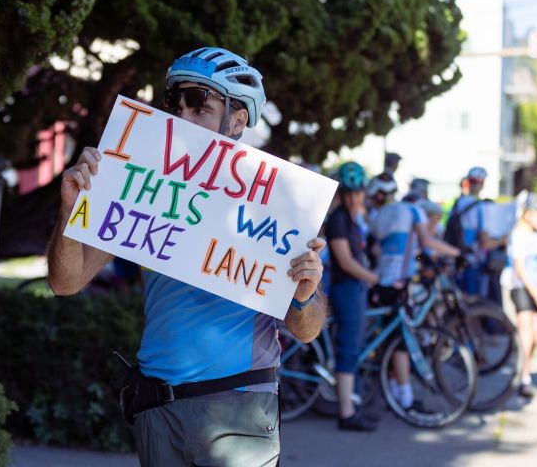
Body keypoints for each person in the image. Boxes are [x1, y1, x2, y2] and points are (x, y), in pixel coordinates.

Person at [47, 47, 327, 466]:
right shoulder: (138, 183)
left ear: (237, 120)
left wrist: (305, 293)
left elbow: (306, 330)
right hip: (156, 409)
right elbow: (65, 283)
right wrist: (70, 213)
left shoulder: (277, 202)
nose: (182, 118)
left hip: (238, 410)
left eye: (199, 105)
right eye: (174, 105)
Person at [370, 180, 459, 409]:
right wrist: (458, 254)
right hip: (400, 283)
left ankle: (394, 389)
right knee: (401, 341)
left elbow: (376, 248)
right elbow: (426, 241)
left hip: (383, 280)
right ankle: (405, 399)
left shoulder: (381, 214)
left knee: (391, 338)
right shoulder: (412, 211)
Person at [325, 162, 380, 431]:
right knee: (347, 349)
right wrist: (374, 278)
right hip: (347, 288)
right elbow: (345, 261)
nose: (355, 198)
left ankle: (353, 403)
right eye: (350, 193)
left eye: (358, 193)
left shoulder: (354, 216)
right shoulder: (337, 219)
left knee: (355, 347)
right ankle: (346, 413)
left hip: (356, 288)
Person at [503, 193, 537, 398]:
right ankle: (524, 376)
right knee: (526, 331)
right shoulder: (520, 234)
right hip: (519, 286)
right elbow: (520, 268)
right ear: (529, 215)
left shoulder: (536, 235)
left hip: (534, 287)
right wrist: (535, 293)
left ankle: (523, 367)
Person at [445, 167, 507, 296]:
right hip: (473, 263)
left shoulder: (458, 203)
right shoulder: (481, 207)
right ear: (482, 183)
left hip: (456, 260)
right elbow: (485, 243)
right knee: (474, 304)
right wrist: (502, 240)